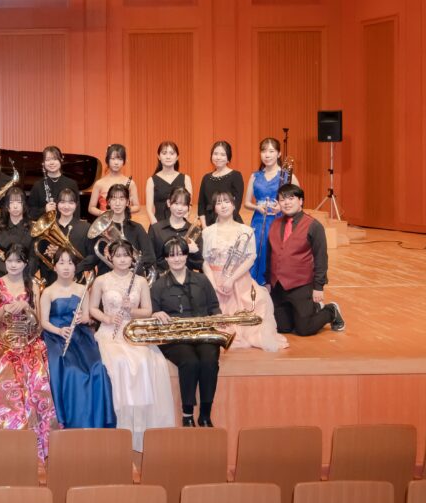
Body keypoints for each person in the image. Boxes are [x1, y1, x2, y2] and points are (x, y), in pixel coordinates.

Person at [0, 244, 59, 459]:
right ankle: (2, 436)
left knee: (36, 378)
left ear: (25, 263)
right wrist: (5, 308)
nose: (13, 265)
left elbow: (38, 322)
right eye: (10, 261)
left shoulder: (33, 285)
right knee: (3, 377)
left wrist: (26, 308)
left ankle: (34, 440)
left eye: (18, 261)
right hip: (1, 342)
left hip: (27, 341)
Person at [90, 240, 175, 451]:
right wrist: (107, 318)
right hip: (110, 332)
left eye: (126, 255)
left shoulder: (141, 281)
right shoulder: (101, 280)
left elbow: (147, 311)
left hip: (133, 331)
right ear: (110, 257)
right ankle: (120, 423)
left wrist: (131, 310)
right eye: (118, 255)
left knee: (145, 361)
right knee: (118, 362)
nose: (122, 259)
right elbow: (92, 309)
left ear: (132, 258)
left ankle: (139, 426)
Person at [201, 191, 287, 351]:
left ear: (234, 205)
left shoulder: (246, 230)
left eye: (226, 202)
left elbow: (251, 258)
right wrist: (212, 285)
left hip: (238, 280)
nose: (223, 206)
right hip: (215, 281)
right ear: (215, 208)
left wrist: (231, 279)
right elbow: (206, 261)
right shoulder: (207, 231)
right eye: (219, 203)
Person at [40, 248, 116, 429]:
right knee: (72, 370)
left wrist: (84, 318)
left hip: (80, 335)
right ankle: (71, 421)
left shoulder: (82, 289)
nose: (66, 267)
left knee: (97, 368)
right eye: (61, 263)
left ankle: (97, 421)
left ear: (75, 267)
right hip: (56, 337)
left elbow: (87, 317)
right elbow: (43, 322)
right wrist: (59, 331)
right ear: (55, 267)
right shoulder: (48, 292)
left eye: (70, 263)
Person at [150, 237, 222, 427]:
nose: (177, 259)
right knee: (189, 362)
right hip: (174, 337)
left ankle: (205, 414)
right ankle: (187, 414)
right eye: (171, 255)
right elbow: (153, 311)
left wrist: (217, 317)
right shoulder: (158, 285)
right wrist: (156, 313)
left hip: (202, 333)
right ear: (166, 258)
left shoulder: (202, 280)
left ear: (186, 255)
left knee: (209, 361)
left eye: (180, 254)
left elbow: (214, 306)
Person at [267, 184, 345, 336]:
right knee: (283, 328)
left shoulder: (314, 226)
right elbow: (271, 255)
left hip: (301, 284)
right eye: (282, 200)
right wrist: (269, 281)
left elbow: (321, 258)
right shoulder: (274, 224)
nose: (286, 203)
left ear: (301, 201)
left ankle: (331, 311)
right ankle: (311, 309)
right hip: (278, 286)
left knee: (304, 329)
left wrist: (318, 287)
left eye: (291, 198)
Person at [244, 137, 301, 285]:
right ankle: (256, 289)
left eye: (271, 151)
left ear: (279, 153)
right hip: (258, 222)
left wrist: (282, 207)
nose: (267, 155)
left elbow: (299, 202)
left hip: (280, 221)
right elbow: (246, 203)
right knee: (256, 253)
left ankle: (275, 289)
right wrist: (257, 207)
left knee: (276, 255)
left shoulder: (287, 176)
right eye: (264, 151)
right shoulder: (255, 176)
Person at [93, 183, 156, 277]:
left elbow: (150, 256)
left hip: (132, 277)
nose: (117, 203)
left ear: (127, 202)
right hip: (107, 278)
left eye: (121, 199)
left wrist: (132, 267)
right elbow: (95, 257)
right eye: (114, 199)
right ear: (108, 202)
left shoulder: (137, 228)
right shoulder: (101, 229)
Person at [39, 188, 95, 284]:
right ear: (57, 204)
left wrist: (75, 268)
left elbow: (93, 256)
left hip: (77, 280)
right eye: (62, 202)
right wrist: (50, 255)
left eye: (71, 202)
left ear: (76, 204)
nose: (66, 206)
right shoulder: (48, 228)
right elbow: (41, 258)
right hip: (53, 280)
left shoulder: (86, 227)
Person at [149, 187, 203, 274]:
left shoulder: (195, 231)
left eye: (184, 205)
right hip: (162, 279)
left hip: (186, 279)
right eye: (176, 203)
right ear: (168, 203)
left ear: (188, 207)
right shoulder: (156, 229)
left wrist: (195, 252)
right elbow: (150, 260)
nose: (180, 208)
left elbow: (199, 265)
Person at [0, 186, 35, 279]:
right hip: (2, 275)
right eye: (11, 202)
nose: (15, 206)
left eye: (19, 202)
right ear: (7, 206)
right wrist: (9, 271)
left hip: (25, 276)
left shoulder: (33, 228)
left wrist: (24, 272)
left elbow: (34, 256)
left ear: (24, 205)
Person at [197, 141, 244, 227]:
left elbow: (236, 205)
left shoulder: (236, 176)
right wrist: (204, 227)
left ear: (228, 158)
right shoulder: (206, 178)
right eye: (215, 154)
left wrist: (223, 227)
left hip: (230, 223)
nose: (218, 157)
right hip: (208, 224)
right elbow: (201, 206)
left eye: (223, 155)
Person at [145, 141, 193, 225]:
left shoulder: (186, 179)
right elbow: (149, 210)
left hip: (180, 225)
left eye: (172, 153)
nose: (168, 157)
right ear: (159, 157)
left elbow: (189, 205)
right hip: (158, 225)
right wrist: (157, 228)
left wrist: (180, 225)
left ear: (177, 157)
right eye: (164, 153)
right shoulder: (151, 181)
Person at [88, 144, 141, 217]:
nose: (116, 163)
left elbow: (137, 207)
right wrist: (103, 213)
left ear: (124, 161)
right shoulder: (99, 183)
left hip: (124, 221)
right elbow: (91, 208)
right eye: (113, 159)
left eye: (120, 159)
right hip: (105, 221)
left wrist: (123, 210)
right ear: (107, 160)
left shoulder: (131, 183)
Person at [28, 145, 80, 220]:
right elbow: (30, 213)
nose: (51, 163)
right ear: (43, 163)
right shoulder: (38, 185)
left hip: (66, 225)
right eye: (48, 160)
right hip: (45, 226)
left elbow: (77, 211)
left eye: (55, 159)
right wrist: (44, 210)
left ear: (61, 160)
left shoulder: (72, 184)